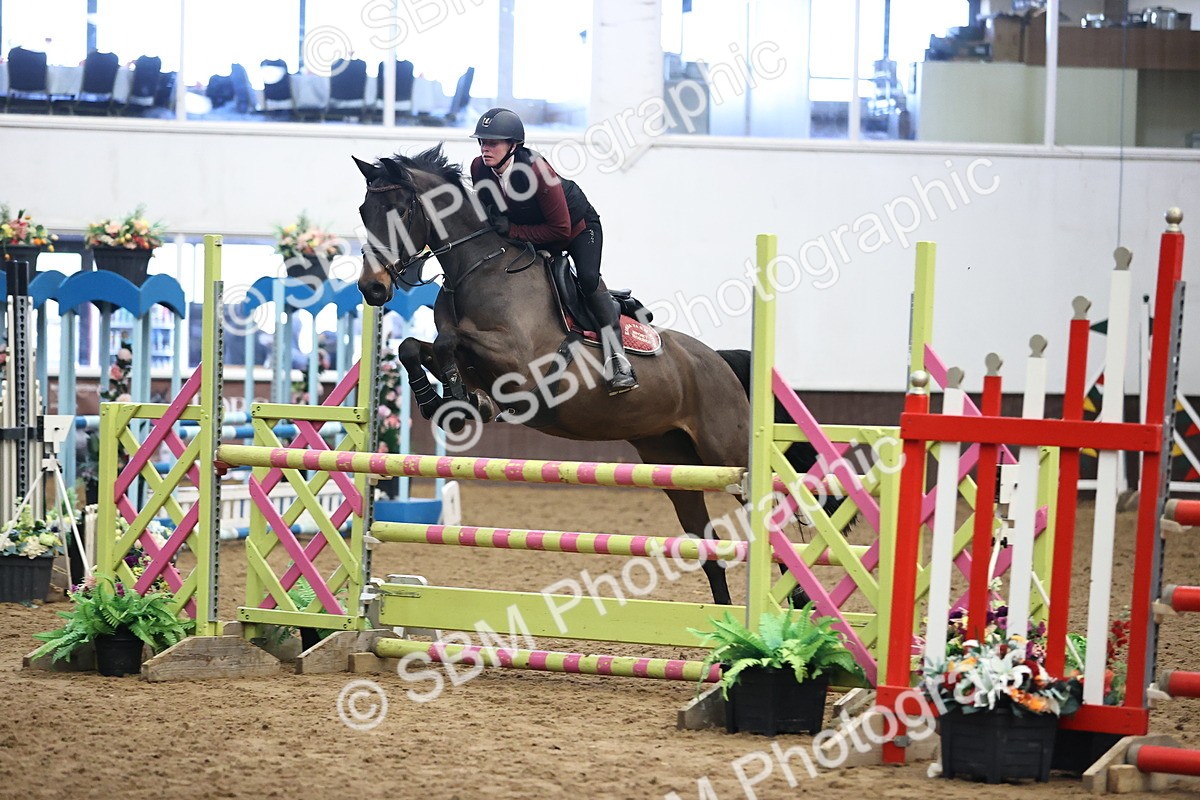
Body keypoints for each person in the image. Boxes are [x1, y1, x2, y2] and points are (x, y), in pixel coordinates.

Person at [468, 107, 638, 395]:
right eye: (482, 142)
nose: (486, 149)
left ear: (514, 146)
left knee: (585, 278)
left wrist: (511, 231)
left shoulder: (538, 171)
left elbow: (559, 230)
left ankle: (617, 358)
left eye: (493, 143)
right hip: (534, 233)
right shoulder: (479, 169)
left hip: (577, 229)